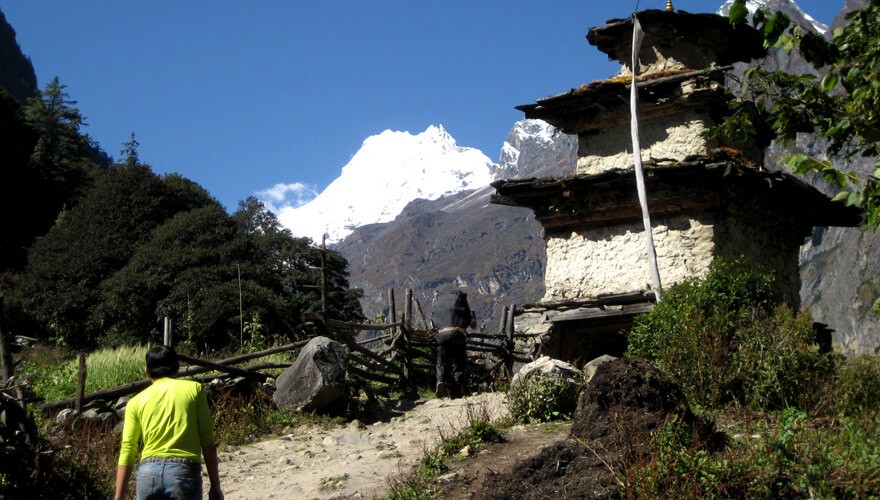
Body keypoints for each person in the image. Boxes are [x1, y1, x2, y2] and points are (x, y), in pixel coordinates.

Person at [115, 345, 223, 500]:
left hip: (147, 473)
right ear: (177, 368)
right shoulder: (195, 390)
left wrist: (118, 496)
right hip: (183, 472)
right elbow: (207, 440)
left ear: (147, 371)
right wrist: (215, 485)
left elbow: (128, 448)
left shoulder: (135, 401)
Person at [432, 291, 476, 398]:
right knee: (459, 363)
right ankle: (456, 391)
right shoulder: (462, 305)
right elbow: (473, 325)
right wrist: (473, 316)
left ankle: (440, 380)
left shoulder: (439, 308)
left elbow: (433, 323)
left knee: (442, 362)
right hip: (457, 335)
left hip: (442, 335)